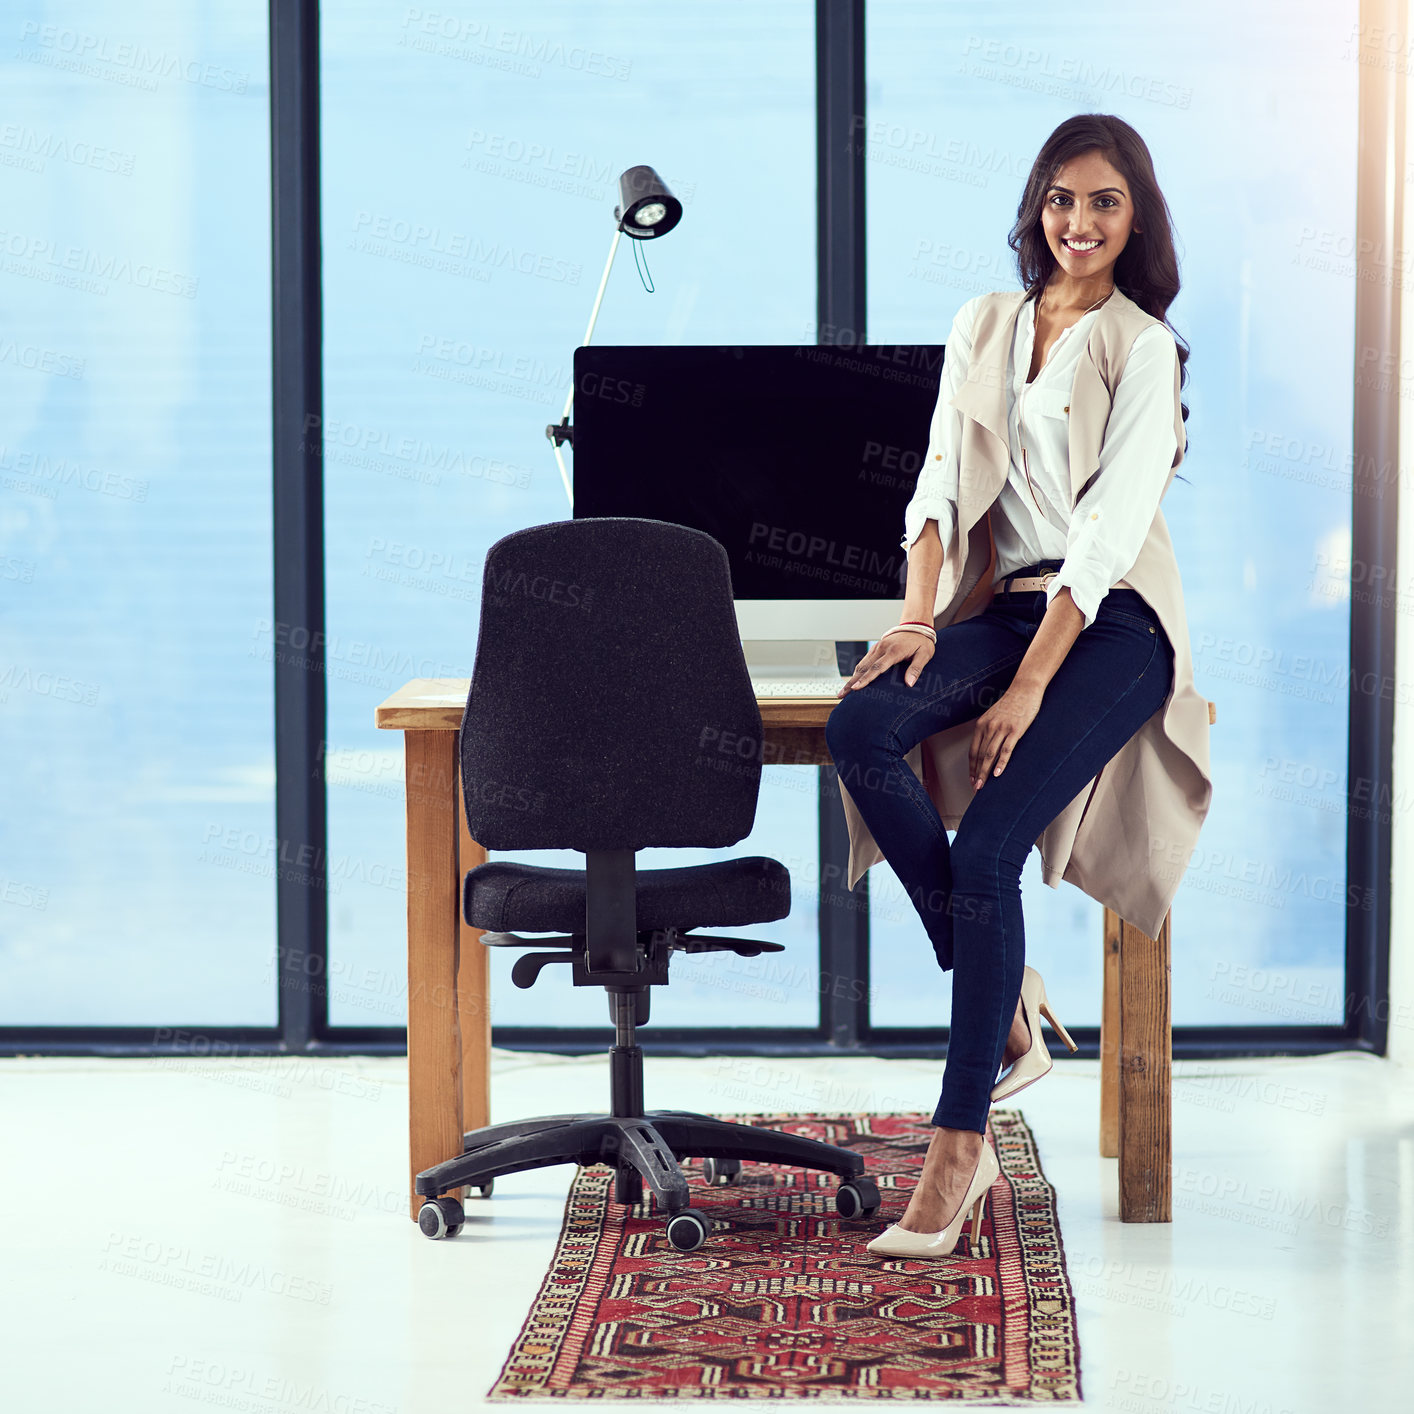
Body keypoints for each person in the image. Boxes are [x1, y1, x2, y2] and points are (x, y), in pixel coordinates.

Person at [825, 114, 1194, 1258]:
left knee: (986, 846)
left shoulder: (1142, 347)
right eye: (1060, 199)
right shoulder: (985, 323)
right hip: (1008, 602)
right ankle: (1011, 995)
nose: (1077, 222)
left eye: (1105, 204)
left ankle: (957, 1143)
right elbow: (938, 483)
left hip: (1114, 621)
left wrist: (1029, 689)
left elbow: (1105, 536)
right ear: (1035, 207)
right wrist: (914, 618)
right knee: (861, 724)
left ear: (1135, 223)